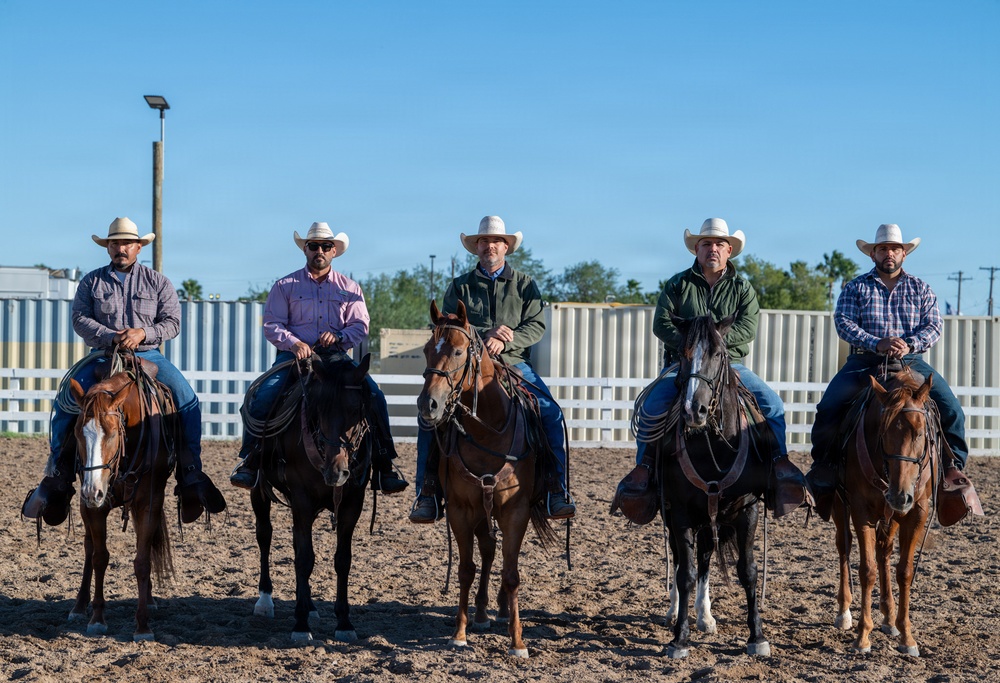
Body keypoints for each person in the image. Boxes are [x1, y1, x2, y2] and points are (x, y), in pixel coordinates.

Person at [21, 217, 226, 524]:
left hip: (148, 355)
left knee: (186, 399)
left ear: (139, 247)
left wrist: (142, 333)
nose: (121, 248)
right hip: (103, 354)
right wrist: (111, 336)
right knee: (67, 401)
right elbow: (80, 319)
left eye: (127, 243)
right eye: (115, 243)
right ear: (108, 248)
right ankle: (60, 475)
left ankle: (190, 473)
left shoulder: (158, 282)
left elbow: (172, 322)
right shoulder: (92, 282)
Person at [615, 218, 805, 517]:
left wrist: (713, 343)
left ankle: (779, 464)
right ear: (697, 249)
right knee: (652, 406)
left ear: (729, 250)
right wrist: (694, 345)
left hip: (731, 365)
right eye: (706, 244)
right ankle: (645, 469)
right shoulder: (678, 284)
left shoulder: (743, 288)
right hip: (684, 364)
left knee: (771, 403)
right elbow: (661, 323)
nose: (712, 249)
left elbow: (747, 327)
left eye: (718, 244)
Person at [408, 215, 576, 522]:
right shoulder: (459, 286)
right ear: (476, 248)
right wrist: (489, 335)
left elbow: (536, 324)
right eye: (484, 241)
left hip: (513, 362)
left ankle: (556, 488)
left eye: (496, 241)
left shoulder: (525, 285)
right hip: (467, 367)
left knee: (550, 412)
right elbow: (446, 327)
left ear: (506, 247)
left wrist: (509, 340)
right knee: (431, 417)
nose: (490, 246)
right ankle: (427, 491)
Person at [229, 221, 407, 494]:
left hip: (335, 359)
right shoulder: (285, 285)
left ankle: (384, 464)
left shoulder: (350, 288)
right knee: (262, 395)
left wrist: (339, 337)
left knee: (374, 395)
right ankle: (251, 460)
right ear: (305, 250)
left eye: (326, 246)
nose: (319, 251)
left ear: (334, 251)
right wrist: (294, 342)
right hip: (294, 358)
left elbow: (360, 325)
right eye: (314, 246)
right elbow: (272, 324)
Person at [805, 223, 974, 507]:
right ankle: (824, 466)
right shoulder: (856, 287)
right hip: (864, 360)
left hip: (911, 361)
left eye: (895, 248)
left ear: (904, 254)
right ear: (873, 254)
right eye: (883, 248)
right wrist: (876, 342)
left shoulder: (921, 288)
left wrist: (909, 344)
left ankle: (951, 468)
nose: (889, 254)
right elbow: (843, 323)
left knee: (951, 408)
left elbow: (933, 326)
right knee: (829, 406)